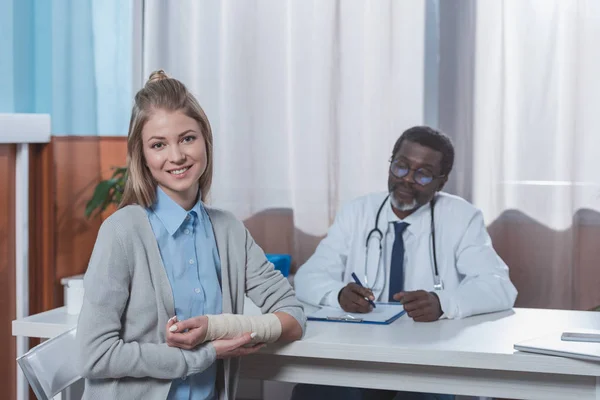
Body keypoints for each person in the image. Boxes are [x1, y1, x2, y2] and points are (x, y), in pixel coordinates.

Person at [76, 70, 305, 400]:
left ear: (205, 140)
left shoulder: (228, 231)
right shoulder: (122, 232)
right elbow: (94, 355)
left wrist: (218, 329)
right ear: (142, 155)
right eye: (158, 145)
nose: (177, 156)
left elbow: (293, 316)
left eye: (187, 138)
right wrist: (203, 356)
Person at [292, 126, 518, 400]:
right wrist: (337, 294)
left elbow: (499, 287)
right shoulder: (357, 212)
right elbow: (308, 276)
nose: (408, 179)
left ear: (441, 182)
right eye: (401, 166)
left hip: (429, 359)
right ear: (391, 164)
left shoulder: (462, 217)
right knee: (317, 391)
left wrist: (443, 303)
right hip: (359, 353)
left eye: (423, 173)